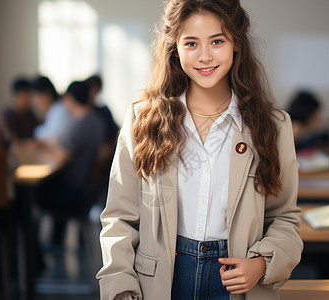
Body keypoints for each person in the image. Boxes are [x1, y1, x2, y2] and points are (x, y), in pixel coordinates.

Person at [97, 1, 303, 299]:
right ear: (175, 48)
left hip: (235, 279)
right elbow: (119, 220)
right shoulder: (143, 120)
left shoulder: (274, 125)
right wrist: (120, 290)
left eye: (217, 41)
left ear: (236, 45)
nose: (205, 56)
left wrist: (261, 263)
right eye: (191, 43)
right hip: (159, 281)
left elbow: (285, 217)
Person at [37, 81, 105, 243]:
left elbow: (61, 157)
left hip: (74, 194)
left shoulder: (81, 125)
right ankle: (53, 244)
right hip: (87, 191)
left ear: (68, 99)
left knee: (31, 193)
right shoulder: (96, 121)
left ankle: (34, 259)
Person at [32, 76, 73, 141]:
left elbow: (51, 138)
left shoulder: (59, 110)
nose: (35, 101)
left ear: (48, 94)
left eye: (37, 96)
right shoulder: (54, 110)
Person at [85, 74, 119, 144]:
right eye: (92, 90)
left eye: (96, 91)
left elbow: (115, 132)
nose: (94, 95)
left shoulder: (103, 111)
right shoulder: (80, 112)